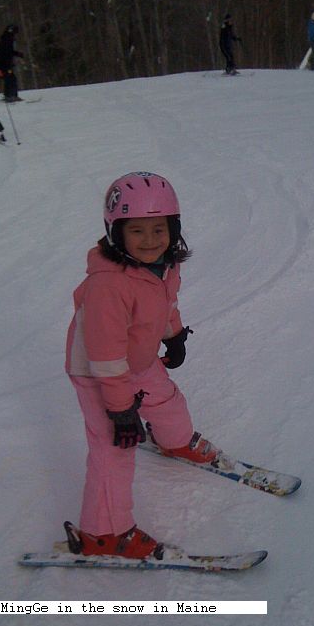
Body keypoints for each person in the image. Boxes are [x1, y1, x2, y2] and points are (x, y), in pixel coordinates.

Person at [65, 172, 218, 560]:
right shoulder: (108, 285)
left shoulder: (164, 265)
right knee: (114, 447)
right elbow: (104, 355)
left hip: (137, 356)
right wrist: (120, 410)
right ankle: (103, 534)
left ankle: (174, 441)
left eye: (158, 229)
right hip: (98, 371)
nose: (150, 240)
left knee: (167, 401)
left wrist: (174, 335)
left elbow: (164, 303)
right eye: (137, 231)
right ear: (116, 233)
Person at [0, 24, 24, 102]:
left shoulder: (5, 39)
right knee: (11, 79)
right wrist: (9, 63)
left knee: (9, 78)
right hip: (4, 64)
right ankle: (11, 96)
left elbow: (8, 52)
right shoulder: (7, 40)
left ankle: (9, 95)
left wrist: (17, 54)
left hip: (3, 64)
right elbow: (6, 53)